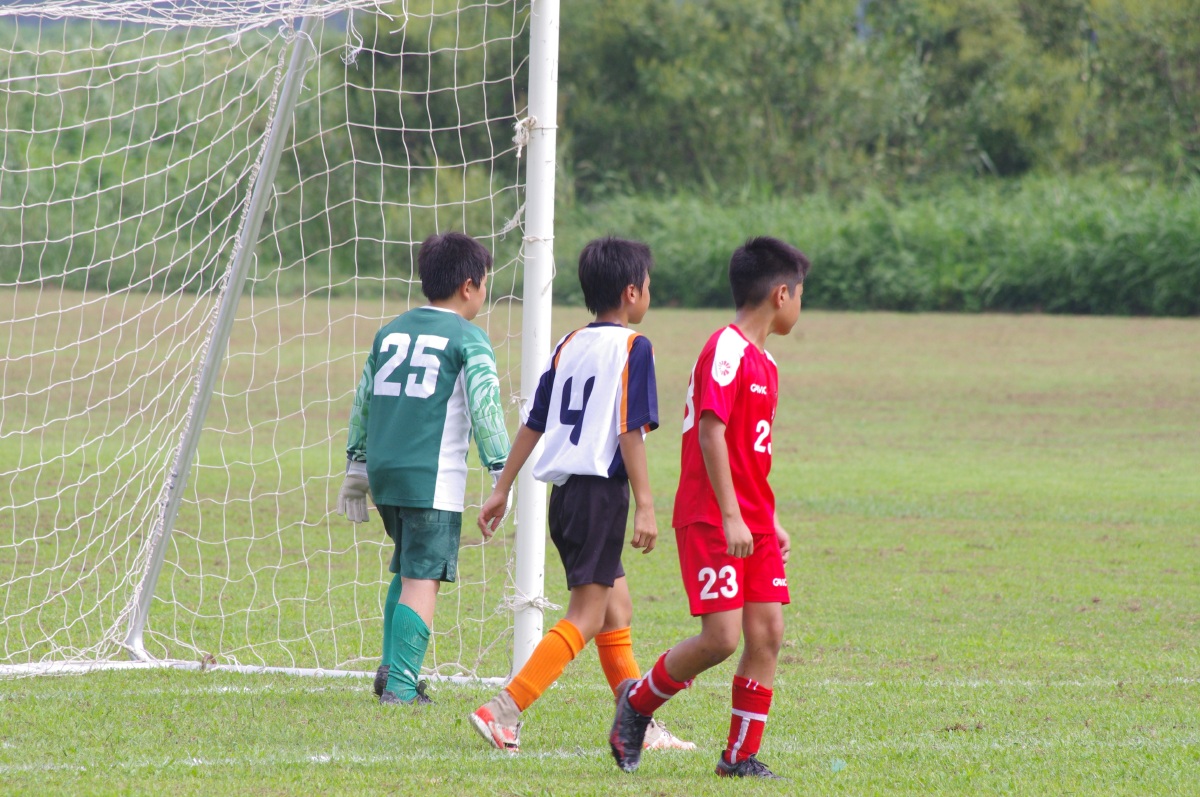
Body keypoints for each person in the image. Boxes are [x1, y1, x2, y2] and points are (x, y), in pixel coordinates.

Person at [468, 236, 691, 754]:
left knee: (617, 608)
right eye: (649, 286)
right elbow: (629, 431)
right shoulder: (634, 347)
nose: (649, 293)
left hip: (565, 497)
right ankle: (503, 710)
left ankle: (637, 721)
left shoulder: (569, 343)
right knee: (587, 615)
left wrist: (502, 487)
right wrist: (646, 505)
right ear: (632, 292)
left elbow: (534, 422)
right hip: (599, 496)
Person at [608, 236, 811, 779]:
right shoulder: (726, 348)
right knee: (721, 638)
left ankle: (739, 757)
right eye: (800, 295)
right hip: (713, 516)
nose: (800, 306)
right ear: (782, 294)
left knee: (768, 633)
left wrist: (769, 520)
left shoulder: (767, 363)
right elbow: (711, 431)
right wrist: (731, 515)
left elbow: (751, 453)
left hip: (751, 520)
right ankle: (636, 704)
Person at [336, 231, 510, 706]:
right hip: (432, 479)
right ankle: (401, 687)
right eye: (485, 283)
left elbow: (363, 400)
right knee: (422, 577)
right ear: (469, 286)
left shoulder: (390, 331)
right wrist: (502, 472)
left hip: (385, 474)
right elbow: (486, 409)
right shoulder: (469, 338)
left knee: (407, 568)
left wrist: (356, 464)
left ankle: (389, 669)